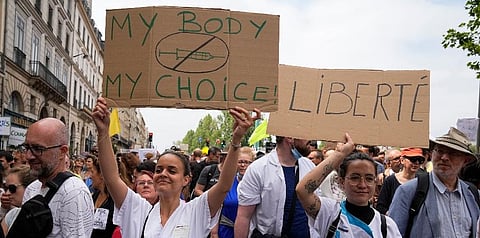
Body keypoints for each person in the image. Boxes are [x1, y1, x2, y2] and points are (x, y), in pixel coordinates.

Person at [92, 96, 260, 237]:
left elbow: (224, 186)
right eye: (159, 170)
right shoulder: (136, 209)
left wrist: (236, 140)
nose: (163, 174)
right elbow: (112, 178)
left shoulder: (196, 211)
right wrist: (103, 132)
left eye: (172, 171)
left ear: (186, 179)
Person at [296, 133, 402, 237]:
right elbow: (303, 190)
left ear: (375, 182)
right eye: (354, 178)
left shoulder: (387, 227)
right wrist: (340, 154)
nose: (362, 184)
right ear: (341, 182)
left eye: (369, 179)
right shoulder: (330, 214)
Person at [389, 127, 479, 237]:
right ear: (432, 154)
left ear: (465, 161)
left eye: (453, 153)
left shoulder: (472, 194)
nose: (444, 157)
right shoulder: (409, 191)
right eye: (440, 151)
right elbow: (393, 234)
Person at [19, 118, 94, 237]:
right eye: (27, 147)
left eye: (38, 149)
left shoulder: (74, 192)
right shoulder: (32, 188)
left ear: (62, 152)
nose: (29, 156)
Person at [235, 136, 317, 237]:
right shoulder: (258, 169)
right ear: (290, 137)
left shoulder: (310, 167)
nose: (311, 139)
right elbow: (244, 216)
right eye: (304, 133)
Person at [213, 147, 255, 238]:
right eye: (240, 162)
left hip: (249, 232)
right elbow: (216, 208)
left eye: (247, 162)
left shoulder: (257, 184)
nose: (243, 165)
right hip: (226, 231)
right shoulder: (227, 182)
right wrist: (214, 232)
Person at [376, 147, 425, 215]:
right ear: (402, 160)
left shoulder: (422, 182)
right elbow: (380, 206)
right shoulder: (390, 180)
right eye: (413, 160)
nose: (417, 163)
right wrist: (394, 215)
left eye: (420, 160)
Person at [0, 165, 36, 231]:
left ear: (29, 186)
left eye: (12, 188)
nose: (7, 193)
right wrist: (3, 208)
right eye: (6, 188)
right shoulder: (12, 214)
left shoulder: (42, 215)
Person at [90, 156, 117, 238]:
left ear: (101, 175)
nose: (90, 176)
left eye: (92, 172)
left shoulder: (114, 201)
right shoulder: (95, 195)